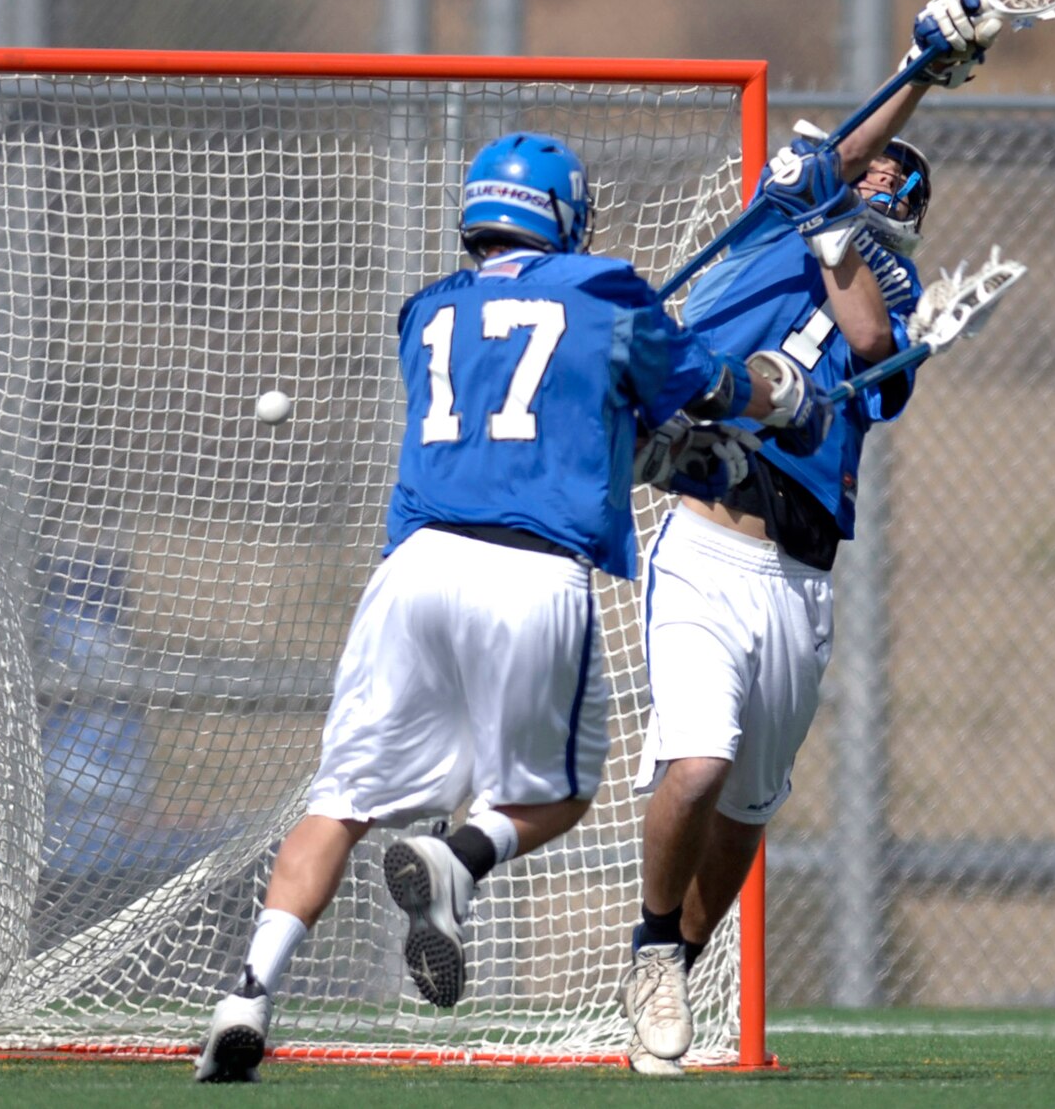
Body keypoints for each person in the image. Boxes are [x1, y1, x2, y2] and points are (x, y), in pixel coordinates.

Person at [194, 130, 833, 1083]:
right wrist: (778, 397)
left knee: (341, 800)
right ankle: (459, 856)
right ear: (565, 214)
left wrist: (649, 434)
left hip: (410, 572)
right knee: (558, 792)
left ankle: (246, 995)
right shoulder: (606, 292)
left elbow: (556, 406)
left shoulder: (426, 311)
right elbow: (697, 379)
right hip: (529, 569)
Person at [618, 0, 1002, 1074]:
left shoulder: (891, 284)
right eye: (871, 170)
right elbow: (831, 159)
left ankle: (673, 975)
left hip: (798, 569)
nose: (880, 180)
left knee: (745, 813)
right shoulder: (783, 214)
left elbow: (869, 339)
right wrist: (922, 66)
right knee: (695, 766)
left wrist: (840, 233)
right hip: (705, 540)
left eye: (899, 184)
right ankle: (650, 949)